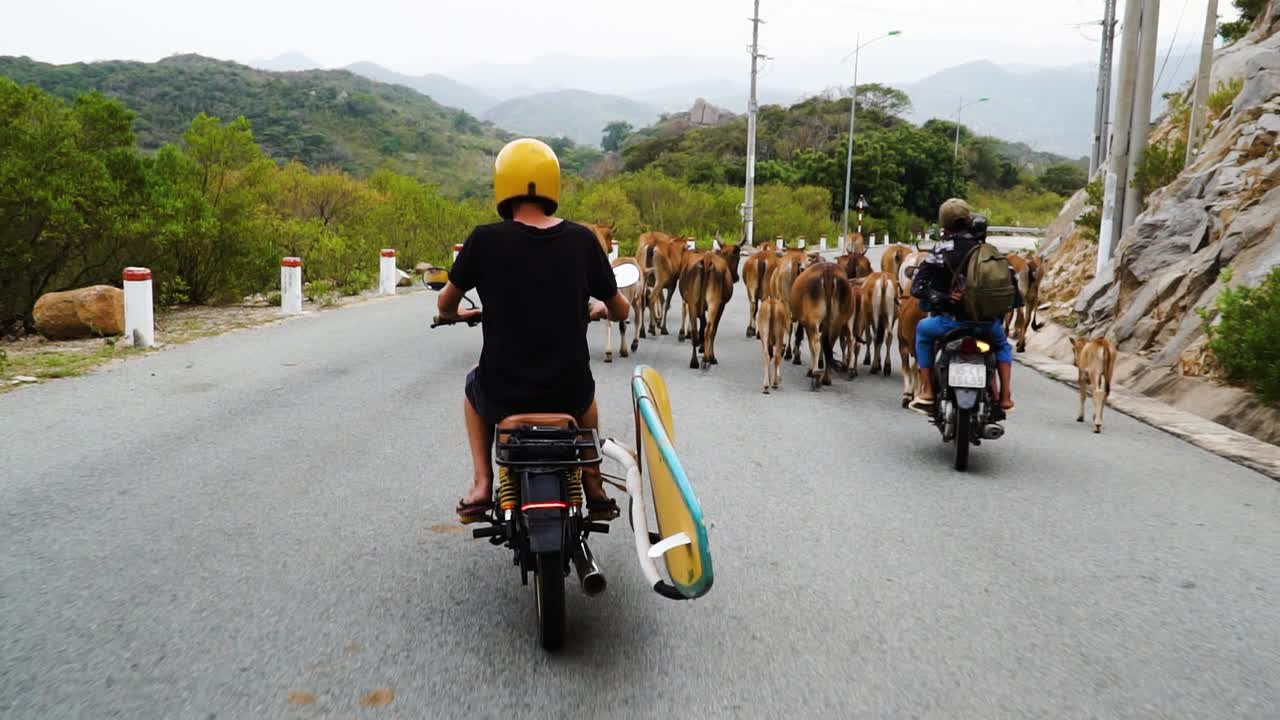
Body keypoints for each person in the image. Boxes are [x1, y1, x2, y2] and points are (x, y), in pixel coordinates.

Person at [435, 138, 631, 523]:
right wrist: (599, 308)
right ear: (552, 186)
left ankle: (480, 485)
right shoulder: (581, 239)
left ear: (503, 185)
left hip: (504, 392)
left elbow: (444, 304)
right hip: (567, 390)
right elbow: (620, 309)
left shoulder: (483, 239)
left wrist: (460, 314)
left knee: (474, 390)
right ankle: (593, 483)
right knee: (586, 394)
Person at [908, 198, 1016, 415]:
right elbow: (1011, 286)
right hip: (985, 325)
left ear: (944, 224)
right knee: (1003, 346)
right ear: (968, 220)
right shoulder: (987, 251)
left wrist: (943, 298)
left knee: (922, 331)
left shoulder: (940, 250)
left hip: (949, 323)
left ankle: (927, 391)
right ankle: (1004, 397)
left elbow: (917, 288)